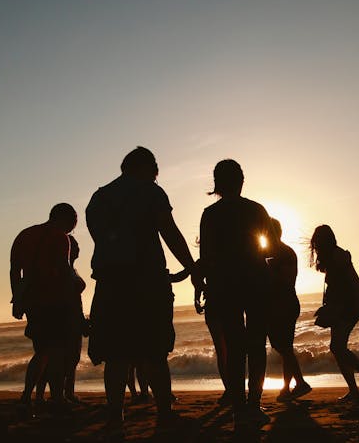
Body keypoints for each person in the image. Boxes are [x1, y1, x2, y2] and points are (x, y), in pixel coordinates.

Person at [85, 147, 199, 427]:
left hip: (110, 285)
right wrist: (193, 267)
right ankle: (164, 414)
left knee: (116, 355)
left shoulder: (98, 198)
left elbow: (103, 240)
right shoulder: (151, 191)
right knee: (154, 352)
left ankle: (115, 417)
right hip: (147, 284)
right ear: (148, 168)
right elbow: (169, 231)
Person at [196, 159, 272, 426]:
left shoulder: (210, 214)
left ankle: (239, 407)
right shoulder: (257, 210)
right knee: (256, 344)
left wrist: (199, 286)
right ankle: (255, 402)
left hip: (223, 285)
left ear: (217, 183)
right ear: (241, 180)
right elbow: (269, 250)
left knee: (235, 346)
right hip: (256, 282)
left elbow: (205, 256)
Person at [10, 203, 82, 410]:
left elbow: (14, 271)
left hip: (32, 301)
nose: (72, 229)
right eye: (73, 223)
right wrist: (78, 285)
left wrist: (17, 299)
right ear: (66, 218)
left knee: (42, 350)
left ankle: (27, 395)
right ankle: (57, 397)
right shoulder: (61, 238)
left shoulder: (24, 235)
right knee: (58, 350)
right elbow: (63, 270)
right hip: (56, 300)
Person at [309, 224, 359, 402]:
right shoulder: (333, 256)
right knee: (337, 348)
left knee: (337, 347)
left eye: (317, 242)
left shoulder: (338, 256)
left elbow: (353, 281)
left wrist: (355, 303)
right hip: (340, 307)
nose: (315, 246)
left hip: (346, 308)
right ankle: (354, 389)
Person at [33, 234, 87, 405]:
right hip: (65, 316)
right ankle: (53, 394)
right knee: (62, 357)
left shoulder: (70, 269)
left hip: (73, 315)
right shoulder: (61, 270)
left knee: (69, 357)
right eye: (74, 247)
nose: (77, 250)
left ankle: (66, 392)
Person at [266, 218, 312, 402]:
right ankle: (286, 388)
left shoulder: (282, 253)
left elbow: (285, 280)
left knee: (282, 346)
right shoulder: (276, 252)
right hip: (282, 303)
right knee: (285, 346)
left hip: (283, 304)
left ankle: (300, 382)